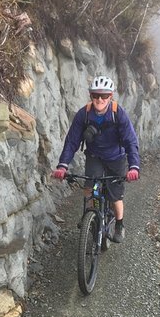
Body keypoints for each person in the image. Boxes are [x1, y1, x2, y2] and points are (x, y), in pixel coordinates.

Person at [51, 75, 141, 243]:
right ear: (91, 95)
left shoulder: (118, 114)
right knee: (89, 187)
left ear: (110, 96)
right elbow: (72, 141)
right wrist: (62, 166)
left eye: (104, 95)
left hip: (116, 158)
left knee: (115, 197)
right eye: (96, 95)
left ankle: (119, 225)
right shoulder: (83, 114)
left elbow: (130, 141)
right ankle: (89, 217)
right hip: (95, 156)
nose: (100, 99)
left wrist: (134, 167)